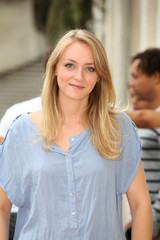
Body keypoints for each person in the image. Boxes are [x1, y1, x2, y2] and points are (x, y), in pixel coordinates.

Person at [0, 29, 152, 240]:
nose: (79, 76)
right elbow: (1, 208)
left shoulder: (118, 128)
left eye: (90, 68)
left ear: (99, 76)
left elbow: (141, 204)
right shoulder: (21, 131)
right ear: (54, 69)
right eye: (69, 65)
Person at [126, 48, 160, 240]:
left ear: (155, 76)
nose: (131, 83)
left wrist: (153, 222)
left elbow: (141, 118)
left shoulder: (152, 118)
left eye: (135, 76)